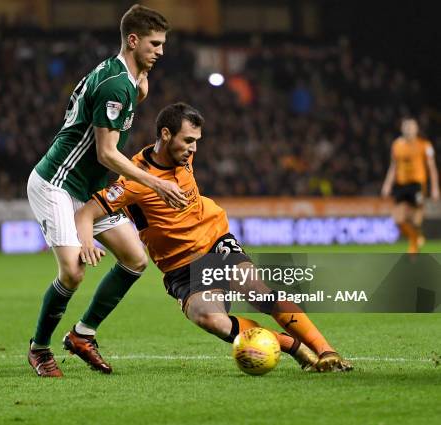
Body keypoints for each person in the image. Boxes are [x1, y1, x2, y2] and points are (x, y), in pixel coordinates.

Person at [76, 103, 353, 372]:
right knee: (210, 319)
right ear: (165, 134)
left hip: (215, 241)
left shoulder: (183, 155)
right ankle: (293, 346)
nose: (193, 149)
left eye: (196, 141)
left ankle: (325, 350)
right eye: (188, 140)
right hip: (180, 268)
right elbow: (85, 214)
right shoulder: (136, 180)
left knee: (257, 291)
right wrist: (87, 242)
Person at [26, 4, 185, 377]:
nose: (161, 51)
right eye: (154, 44)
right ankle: (40, 348)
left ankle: (82, 335)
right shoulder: (116, 85)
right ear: (133, 40)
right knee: (73, 272)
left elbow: (133, 98)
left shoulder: (127, 77)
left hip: (90, 187)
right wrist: (155, 182)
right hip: (58, 184)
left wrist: (142, 80)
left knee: (135, 259)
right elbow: (107, 153)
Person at [382, 118, 439, 253]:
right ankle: (415, 237)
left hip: (417, 184)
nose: (409, 129)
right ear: (402, 129)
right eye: (406, 127)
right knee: (397, 219)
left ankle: (414, 243)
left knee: (416, 215)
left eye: (411, 127)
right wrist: (387, 184)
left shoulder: (425, 145)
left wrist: (436, 188)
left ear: (416, 129)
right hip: (401, 184)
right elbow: (393, 166)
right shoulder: (396, 145)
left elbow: (432, 168)